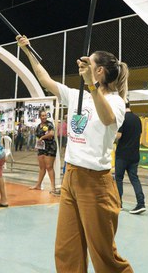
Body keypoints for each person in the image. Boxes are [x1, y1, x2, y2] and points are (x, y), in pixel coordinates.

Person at [17, 35, 132, 272]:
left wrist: (90, 84)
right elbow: (44, 78)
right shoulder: (76, 95)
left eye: (88, 63)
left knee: (104, 256)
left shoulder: (116, 101)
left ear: (99, 71)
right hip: (71, 178)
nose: (81, 65)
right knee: (67, 250)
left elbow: (107, 118)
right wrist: (27, 50)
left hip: (95, 183)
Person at [115, 103, 146, 214]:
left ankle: (118, 204)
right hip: (134, 154)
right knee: (134, 178)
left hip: (122, 154)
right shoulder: (137, 119)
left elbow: (118, 135)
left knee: (118, 178)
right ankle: (141, 203)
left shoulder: (122, 118)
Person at [30, 110, 58, 194]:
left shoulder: (49, 124)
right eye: (43, 115)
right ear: (40, 117)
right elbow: (37, 137)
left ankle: (53, 187)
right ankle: (38, 185)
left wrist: (42, 137)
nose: (44, 117)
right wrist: (37, 145)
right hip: (41, 148)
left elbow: (51, 134)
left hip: (50, 147)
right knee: (42, 167)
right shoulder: (38, 126)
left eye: (45, 115)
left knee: (49, 167)